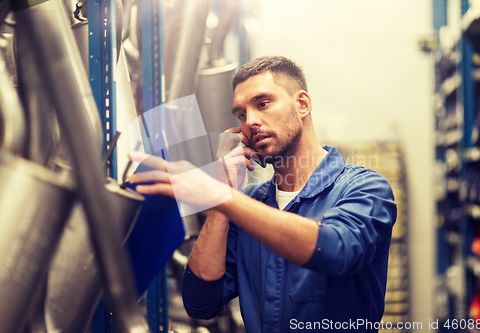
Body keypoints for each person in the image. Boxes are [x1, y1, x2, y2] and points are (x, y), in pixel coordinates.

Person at [129, 56, 397, 333]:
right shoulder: (247, 203)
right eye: (241, 114)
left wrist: (220, 195)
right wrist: (222, 196)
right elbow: (201, 303)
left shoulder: (364, 188)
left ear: (302, 104)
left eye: (263, 104)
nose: (251, 121)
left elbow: (337, 250)